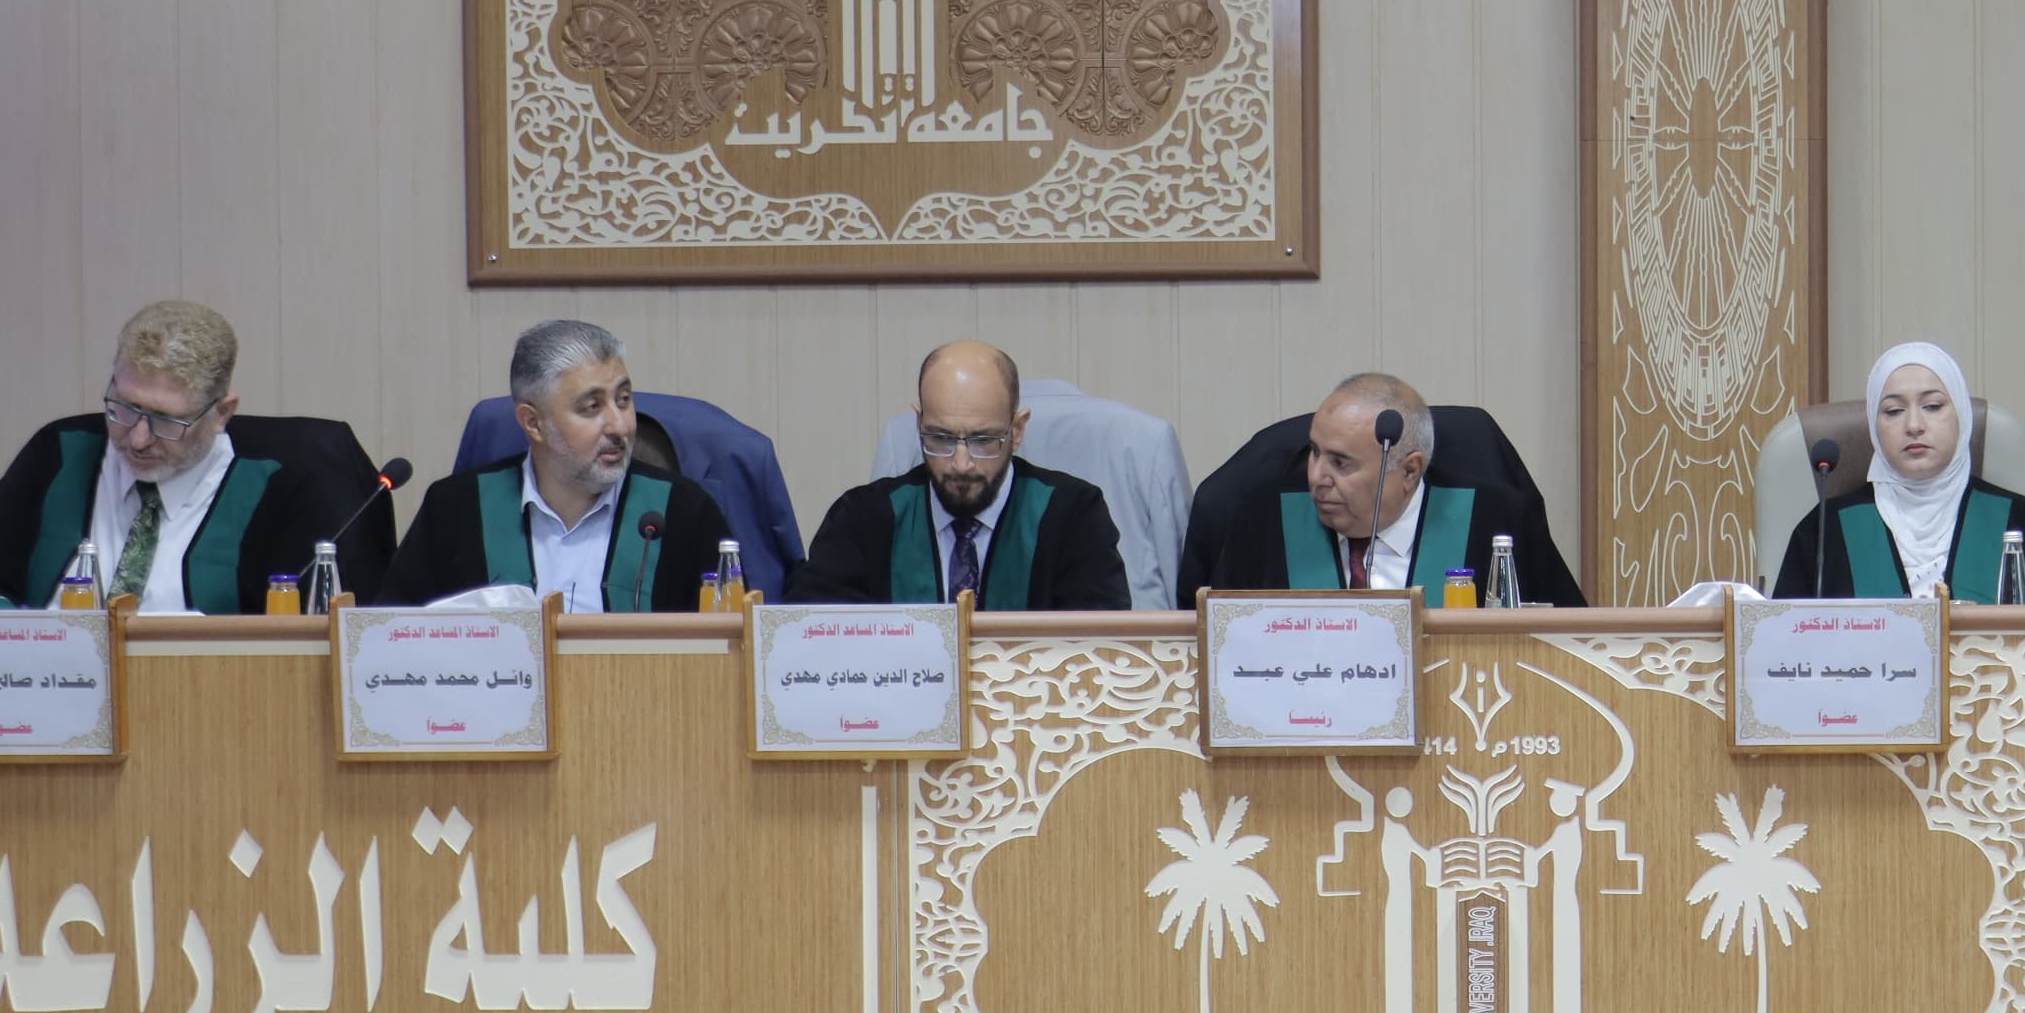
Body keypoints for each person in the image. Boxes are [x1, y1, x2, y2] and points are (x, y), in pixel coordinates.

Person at [0, 300, 387, 614]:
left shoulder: (282, 486)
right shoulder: (59, 455)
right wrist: (5, 634)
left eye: (167, 420)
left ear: (222, 413)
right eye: (124, 408)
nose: (138, 439)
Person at [387, 319, 731, 612]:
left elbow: (731, 643)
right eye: (591, 407)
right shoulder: (456, 510)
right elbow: (395, 637)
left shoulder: (682, 511)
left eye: (624, 400)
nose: (620, 425)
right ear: (533, 423)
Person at [1178, 372, 1582, 607]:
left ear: (1409, 471)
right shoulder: (1264, 519)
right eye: (1314, 452)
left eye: (1341, 463)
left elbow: (1563, 645)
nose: (1317, 477)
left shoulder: (1493, 521)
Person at [794, 342, 1132, 609]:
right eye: (940, 438)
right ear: (919, 424)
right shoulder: (862, 520)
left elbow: (1097, 649)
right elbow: (816, 641)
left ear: (1016, 430)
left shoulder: (1073, 517)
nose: (961, 464)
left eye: (983, 440)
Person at [1770, 342, 2025, 600]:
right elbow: (1783, 638)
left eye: (1933, 406)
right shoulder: (1825, 531)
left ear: (1962, 416)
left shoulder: (2024, 523)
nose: (1914, 425)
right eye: (1893, 411)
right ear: (1874, 426)